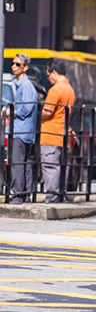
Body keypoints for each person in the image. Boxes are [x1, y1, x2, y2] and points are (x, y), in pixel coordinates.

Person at [40, 59, 76, 203]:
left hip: (51, 133)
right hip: (63, 133)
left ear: (54, 73)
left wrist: (37, 114)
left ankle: (52, 197)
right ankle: (60, 194)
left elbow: (48, 112)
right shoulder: (69, 89)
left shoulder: (55, 90)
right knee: (61, 167)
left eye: (48, 75)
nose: (48, 79)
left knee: (50, 166)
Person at [5, 54, 38, 204]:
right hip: (23, 130)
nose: (14, 66)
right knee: (24, 163)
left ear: (25, 67)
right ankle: (24, 194)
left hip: (21, 131)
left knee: (18, 163)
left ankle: (17, 195)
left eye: (18, 64)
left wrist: (12, 112)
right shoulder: (22, 84)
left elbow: (27, 107)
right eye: (13, 63)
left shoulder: (25, 85)